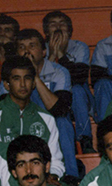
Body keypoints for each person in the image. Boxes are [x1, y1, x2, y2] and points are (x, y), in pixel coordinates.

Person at [0, 56, 65, 181]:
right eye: (16, 79)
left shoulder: (46, 118)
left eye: (27, 78)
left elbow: (55, 160)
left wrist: (53, 176)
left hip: (40, 181)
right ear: (7, 85)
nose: (23, 84)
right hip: (6, 183)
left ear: (34, 83)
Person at [15, 29, 78, 178]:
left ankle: (71, 177)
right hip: (25, 118)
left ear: (44, 51)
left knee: (63, 122)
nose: (26, 52)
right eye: (22, 47)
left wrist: (35, 77)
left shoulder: (59, 71)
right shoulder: (12, 73)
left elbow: (60, 109)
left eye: (32, 46)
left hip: (52, 119)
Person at [42, 10, 95, 152]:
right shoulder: (40, 48)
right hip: (53, 100)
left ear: (70, 30)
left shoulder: (79, 46)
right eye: (53, 24)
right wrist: (52, 56)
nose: (58, 27)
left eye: (62, 24)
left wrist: (61, 54)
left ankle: (85, 141)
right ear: (46, 31)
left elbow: (79, 78)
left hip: (79, 101)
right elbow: (41, 79)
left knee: (77, 89)